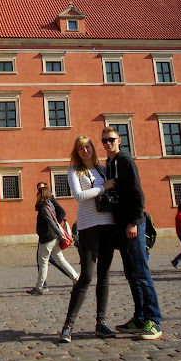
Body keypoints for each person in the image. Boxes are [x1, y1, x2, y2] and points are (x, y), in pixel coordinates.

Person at [102, 126, 162, 340]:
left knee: (142, 273)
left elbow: (138, 193)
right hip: (121, 225)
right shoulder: (109, 164)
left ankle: (154, 320)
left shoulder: (126, 161)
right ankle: (140, 317)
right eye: (104, 141)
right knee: (131, 274)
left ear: (119, 140)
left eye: (111, 139)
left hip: (132, 224)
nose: (108, 143)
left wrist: (134, 222)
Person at [59, 136, 117, 342]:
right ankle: (68, 324)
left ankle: (101, 322)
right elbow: (78, 196)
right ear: (77, 151)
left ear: (93, 148)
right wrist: (103, 187)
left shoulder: (102, 169)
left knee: (104, 275)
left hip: (108, 225)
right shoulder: (74, 170)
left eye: (88, 146)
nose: (85, 150)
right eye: (81, 148)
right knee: (86, 276)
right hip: (88, 226)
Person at [28, 185, 78, 295]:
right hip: (53, 238)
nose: (36, 195)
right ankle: (76, 278)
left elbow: (52, 222)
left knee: (43, 262)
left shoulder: (44, 208)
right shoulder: (49, 205)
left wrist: (60, 235)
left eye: (38, 193)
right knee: (60, 260)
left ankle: (39, 287)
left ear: (42, 195)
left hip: (47, 239)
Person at [36, 181, 71, 288]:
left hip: (49, 237)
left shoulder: (48, 203)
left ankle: (41, 286)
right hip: (47, 236)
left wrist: (56, 227)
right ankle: (75, 278)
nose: (38, 192)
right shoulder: (44, 204)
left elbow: (60, 214)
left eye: (41, 189)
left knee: (48, 261)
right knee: (54, 260)